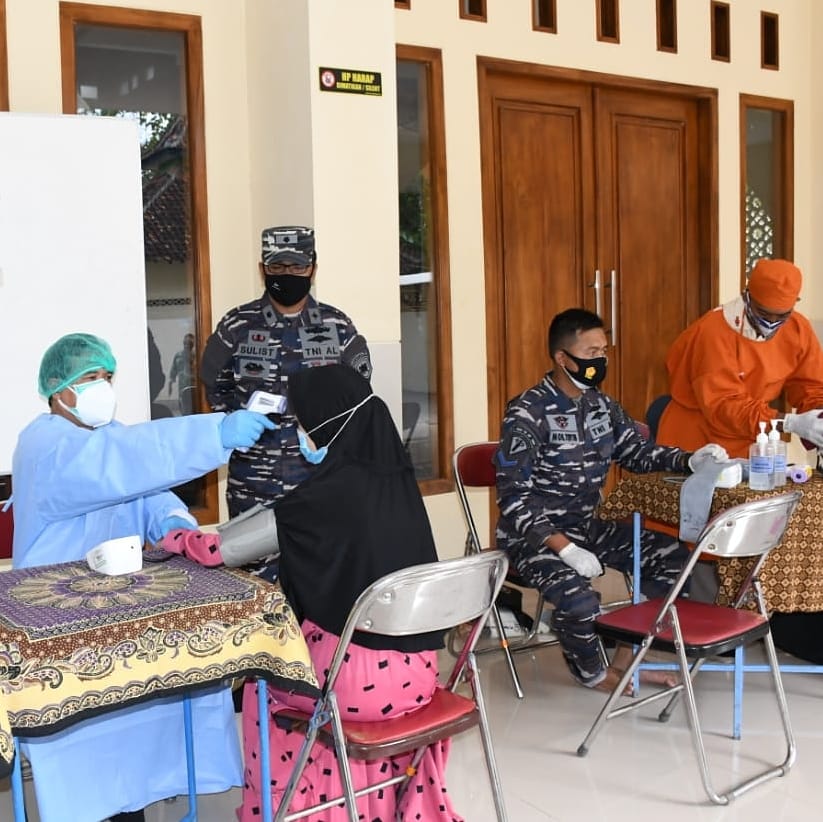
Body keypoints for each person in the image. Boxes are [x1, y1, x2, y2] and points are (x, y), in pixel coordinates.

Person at [11, 332, 275, 822]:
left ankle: (133, 805)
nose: (103, 388)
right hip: (57, 624)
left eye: (107, 377)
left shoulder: (103, 439)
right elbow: (117, 465)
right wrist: (214, 434)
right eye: (91, 378)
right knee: (87, 753)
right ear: (58, 390)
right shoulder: (45, 444)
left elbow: (143, 487)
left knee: (135, 727)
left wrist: (175, 524)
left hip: (117, 609)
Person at [233, 364, 462, 820]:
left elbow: (225, 548)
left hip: (355, 693)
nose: (300, 435)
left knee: (262, 681)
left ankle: (303, 809)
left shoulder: (326, 495)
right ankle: (361, 804)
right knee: (327, 657)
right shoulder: (397, 484)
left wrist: (174, 540)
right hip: (420, 678)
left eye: (302, 425)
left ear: (324, 425)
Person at [494, 309, 727, 693]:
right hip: (533, 538)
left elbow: (635, 452)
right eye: (591, 351)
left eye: (604, 350)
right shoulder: (528, 411)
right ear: (562, 357)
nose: (600, 360)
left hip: (586, 526)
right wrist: (564, 549)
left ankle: (626, 661)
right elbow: (513, 498)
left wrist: (688, 458)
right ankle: (595, 674)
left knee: (675, 561)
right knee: (580, 601)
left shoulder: (601, 404)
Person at [200, 226, 372, 570]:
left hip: (319, 483)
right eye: (277, 268)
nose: (287, 275)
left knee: (321, 581)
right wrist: (238, 429)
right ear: (263, 269)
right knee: (254, 588)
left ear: (313, 268)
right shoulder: (237, 326)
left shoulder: (337, 326)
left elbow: (358, 401)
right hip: (253, 485)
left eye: (297, 267)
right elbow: (213, 387)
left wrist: (332, 442)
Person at [657, 258, 823, 457]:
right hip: (697, 441)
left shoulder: (797, 328)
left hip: (751, 437)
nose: (771, 322)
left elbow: (810, 386)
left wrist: (818, 415)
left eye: (781, 316)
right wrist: (787, 423)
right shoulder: (712, 332)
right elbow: (724, 406)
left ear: (794, 305)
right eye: (763, 313)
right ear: (747, 296)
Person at [168, 331, 196, 414]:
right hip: (182, 387)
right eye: (185, 343)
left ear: (192, 344)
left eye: (189, 343)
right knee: (183, 407)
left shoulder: (196, 355)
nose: (186, 345)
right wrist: (170, 383)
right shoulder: (178, 355)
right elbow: (174, 369)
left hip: (193, 386)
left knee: (194, 408)